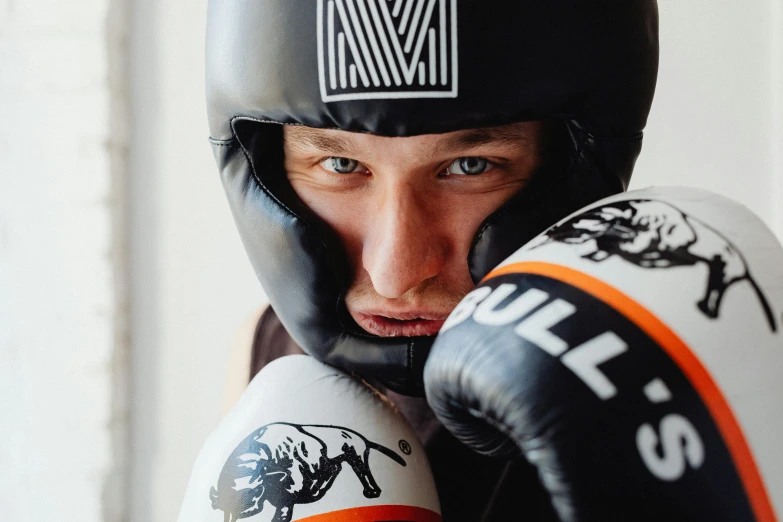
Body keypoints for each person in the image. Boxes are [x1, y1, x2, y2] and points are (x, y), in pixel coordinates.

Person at [207, 1, 659, 519]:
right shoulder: (268, 354)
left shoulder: (671, 394)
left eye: (470, 166)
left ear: (569, 167)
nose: (395, 273)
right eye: (341, 163)